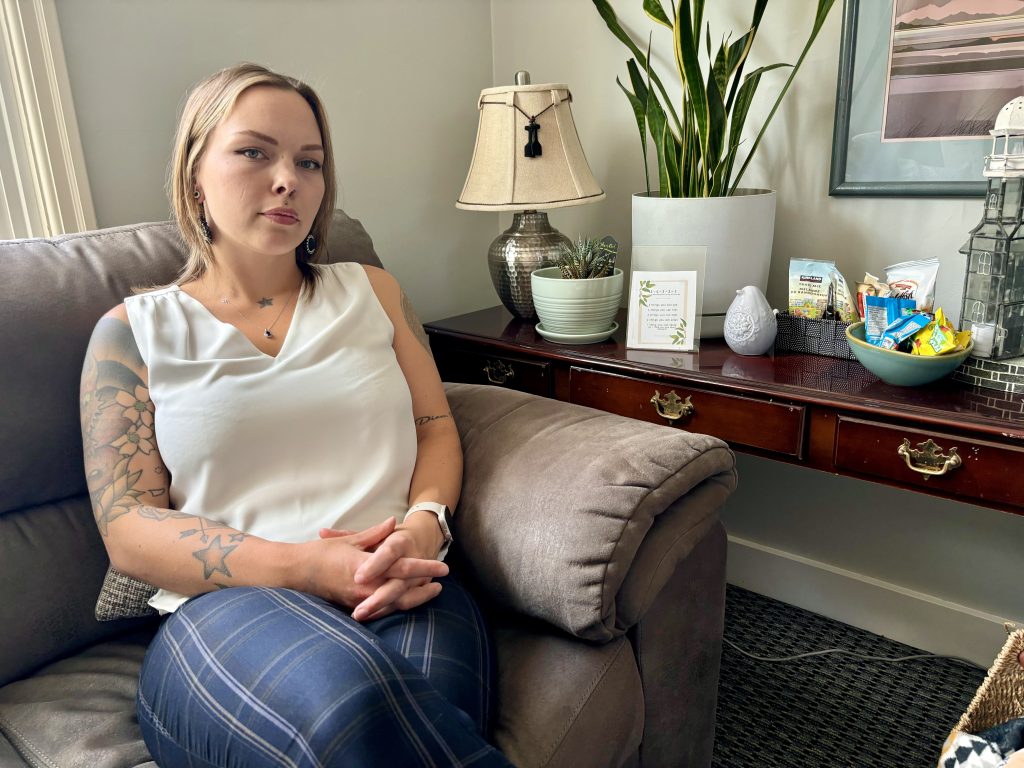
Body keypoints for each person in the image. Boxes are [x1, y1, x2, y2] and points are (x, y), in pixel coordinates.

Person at [79, 63, 512, 767]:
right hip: (227, 608)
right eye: (255, 152)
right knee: (357, 705)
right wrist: (306, 567)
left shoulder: (374, 292)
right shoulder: (132, 332)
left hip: (400, 576)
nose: (289, 180)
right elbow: (128, 527)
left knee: (423, 711)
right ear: (194, 175)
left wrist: (425, 525)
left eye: (309, 162)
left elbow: (434, 427)